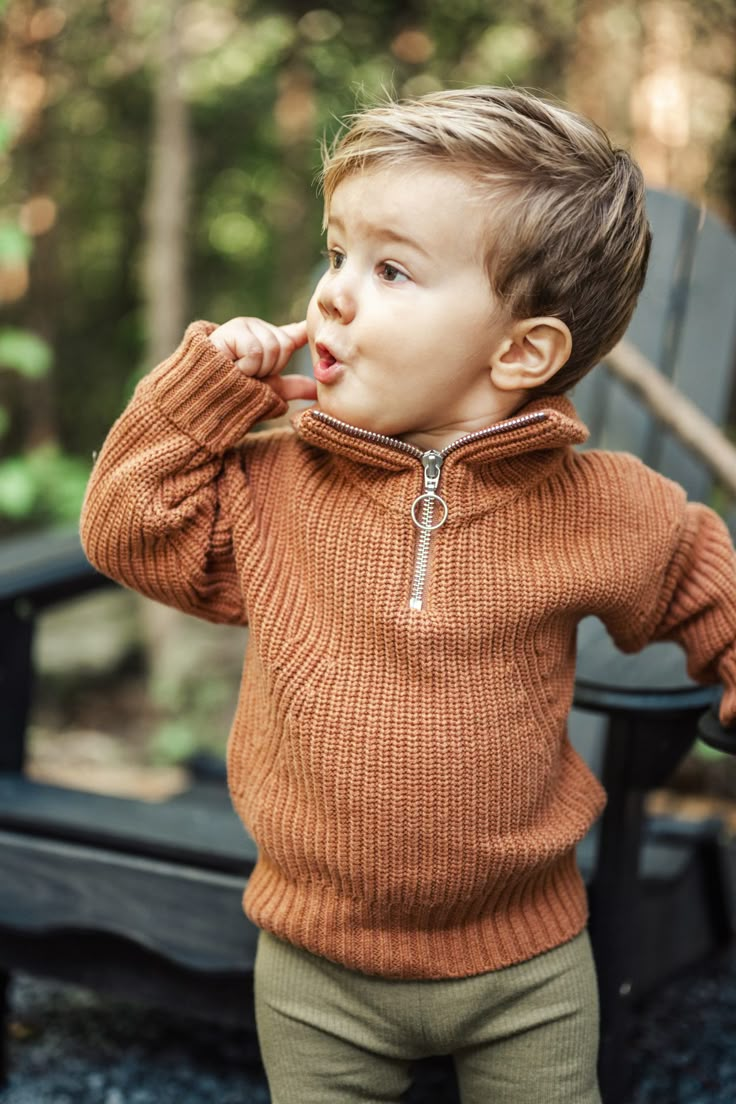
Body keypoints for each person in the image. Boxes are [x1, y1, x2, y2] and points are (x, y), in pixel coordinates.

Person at [80, 87, 736, 1103]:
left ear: (522, 351)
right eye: (336, 253)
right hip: (315, 967)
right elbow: (130, 534)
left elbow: (703, 578)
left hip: (528, 962)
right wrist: (198, 401)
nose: (333, 293)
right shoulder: (272, 484)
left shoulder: (601, 506)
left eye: (389, 269)